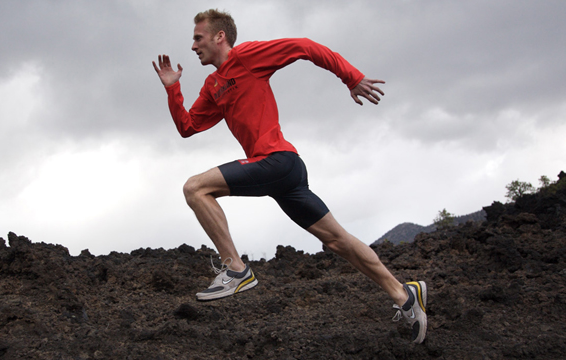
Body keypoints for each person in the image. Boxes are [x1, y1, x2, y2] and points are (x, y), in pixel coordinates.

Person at [153, 9, 428, 343]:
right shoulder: (213, 85)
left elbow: (305, 46)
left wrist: (352, 78)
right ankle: (404, 295)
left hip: (279, 162)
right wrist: (173, 89)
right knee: (336, 240)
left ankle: (235, 269)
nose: (193, 45)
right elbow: (188, 126)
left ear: (219, 37)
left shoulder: (248, 56)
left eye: (198, 37)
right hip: (282, 173)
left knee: (195, 188)